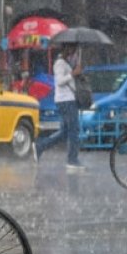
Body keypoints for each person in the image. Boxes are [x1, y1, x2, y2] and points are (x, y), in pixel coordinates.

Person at [34, 43, 85, 171]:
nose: (73, 52)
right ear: (66, 49)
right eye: (72, 49)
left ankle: (40, 146)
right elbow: (59, 81)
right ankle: (72, 159)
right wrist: (73, 73)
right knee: (74, 130)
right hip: (65, 100)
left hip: (69, 99)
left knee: (65, 133)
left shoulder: (66, 63)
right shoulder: (59, 63)